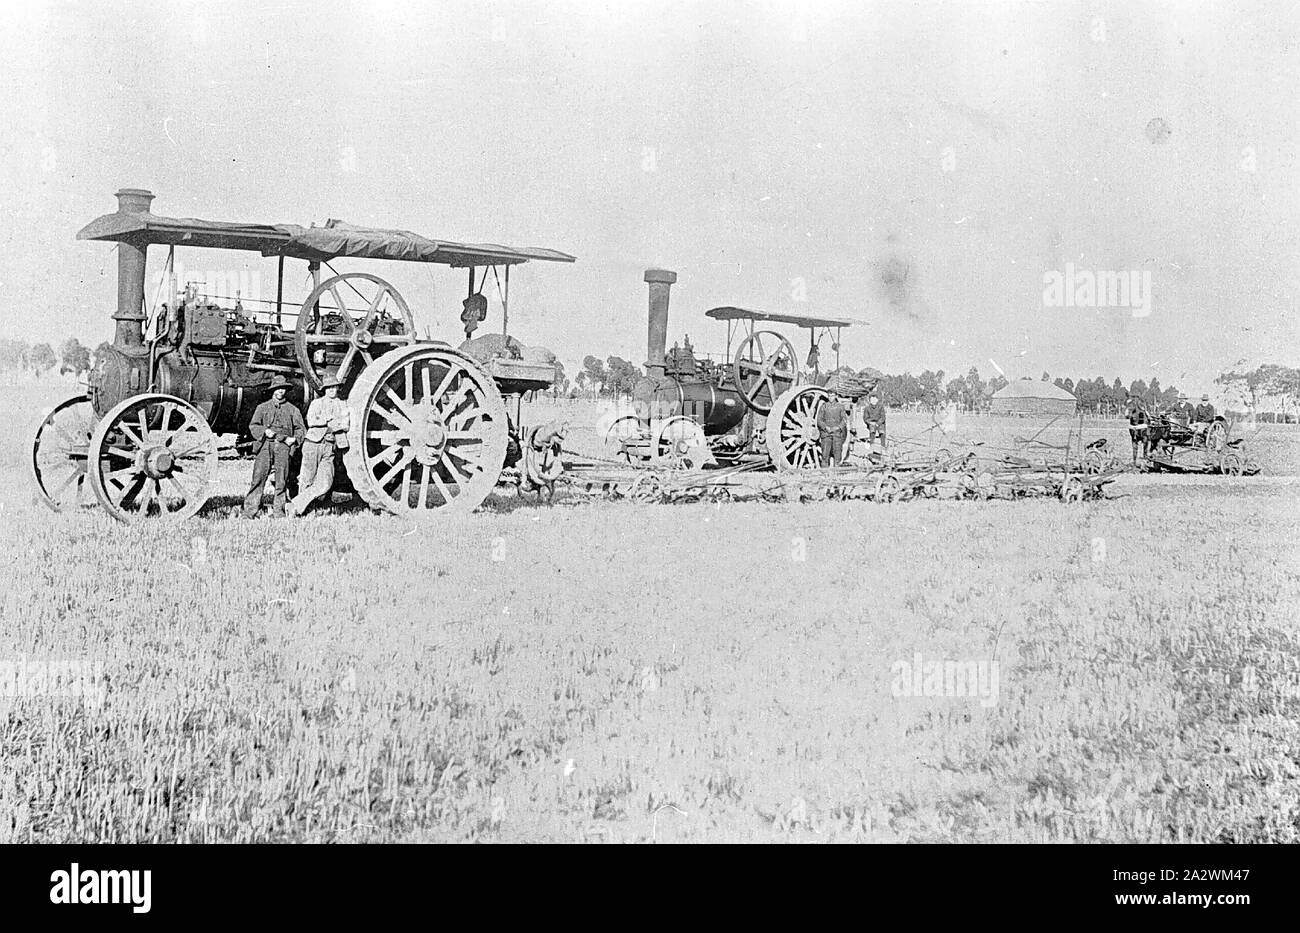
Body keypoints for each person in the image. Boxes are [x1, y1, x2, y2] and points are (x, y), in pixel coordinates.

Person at [243, 378, 306, 518]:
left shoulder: (292, 410)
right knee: (258, 478)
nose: (280, 391)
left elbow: (301, 430)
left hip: (283, 447)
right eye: (278, 388)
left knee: (281, 480)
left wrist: (294, 439)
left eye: (283, 388)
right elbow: (253, 426)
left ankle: (279, 512)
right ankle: (250, 511)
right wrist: (264, 431)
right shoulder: (262, 408)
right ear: (273, 390)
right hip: (265, 445)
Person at [290, 375, 351, 516]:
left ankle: (295, 505)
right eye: (328, 388)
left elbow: (346, 425)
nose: (331, 390)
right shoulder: (316, 403)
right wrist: (329, 420)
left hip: (330, 446)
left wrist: (327, 421)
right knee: (307, 479)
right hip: (313, 444)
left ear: (338, 388)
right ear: (324, 390)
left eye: (334, 387)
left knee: (326, 482)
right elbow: (311, 421)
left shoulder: (343, 404)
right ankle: (305, 511)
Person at [815, 394, 849, 466]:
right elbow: (819, 420)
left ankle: (836, 473)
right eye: (829, 396)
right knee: (825, 455)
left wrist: (838, 427)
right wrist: (825, 427)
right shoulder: (823, 406)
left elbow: (844, 420)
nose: (831, 398)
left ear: (835, 396)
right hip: (826, 434)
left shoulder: (840, 406)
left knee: (837, 454)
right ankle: (825, 474)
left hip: (836, 434)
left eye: (832, 396)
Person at [861, 391, 887, 462]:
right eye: (872, 400)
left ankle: (883, 447)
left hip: (880, 422)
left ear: (877, 400)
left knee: (882, 432)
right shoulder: (867, 408)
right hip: (871, 423)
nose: (873, 401)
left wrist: (878, 423)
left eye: (875, 399)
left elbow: (883, 417)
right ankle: (872, 445)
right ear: (869, 400)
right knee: (872, 432)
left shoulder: (881, 407)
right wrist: (870, 422)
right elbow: (865, 418)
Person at [1126, 396, 1149, 463]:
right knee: (1134, 444)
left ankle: (1145, 457)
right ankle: (1134, 460)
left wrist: (1145, 411)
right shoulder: (1132, 404)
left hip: (1142, 425)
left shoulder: (1140, 404)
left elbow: (1143, 408)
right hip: (1134, 427)